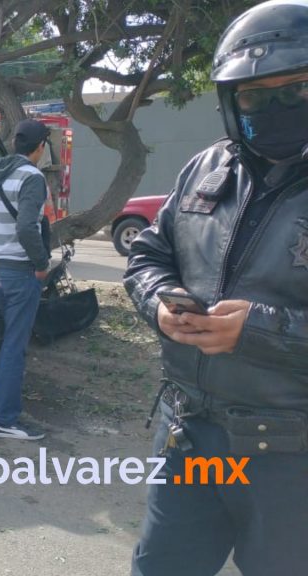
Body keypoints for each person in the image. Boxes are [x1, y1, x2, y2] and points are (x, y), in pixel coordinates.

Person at [124, 2, 308, 573]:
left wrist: (256, 330)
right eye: (254, 93)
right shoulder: (207, 168)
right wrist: (158, 303)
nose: (274, 106)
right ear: (231, 99)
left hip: (289, 457)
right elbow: (149, 252)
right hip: (189, 437)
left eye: (296, 88)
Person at [0, 119, 51, 441]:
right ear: (40, 146)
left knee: (9, 342)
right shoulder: (32, 177)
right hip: (21, 272)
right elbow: (28, 227)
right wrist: (41, 264)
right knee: (16, 346)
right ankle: (5, 420)